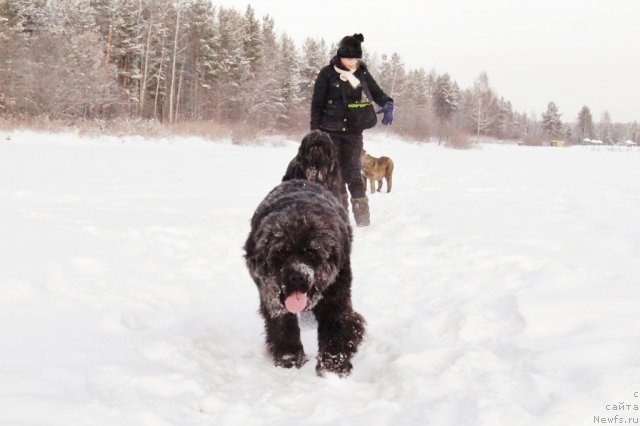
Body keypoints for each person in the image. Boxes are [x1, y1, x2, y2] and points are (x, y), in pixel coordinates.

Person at [310, 33, 394, 227]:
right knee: (332, 175)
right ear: (340, 56)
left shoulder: (362, 73)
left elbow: (377, 93)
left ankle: (363, 222)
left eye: (356, 58)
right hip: (329, 132)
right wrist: (315, 134)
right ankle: (336, 219)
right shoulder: (327, 74)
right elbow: (316, 106)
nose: (353, 62)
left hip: (354, 133)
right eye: (349, 58)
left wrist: (388, 104)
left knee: (354, 174)